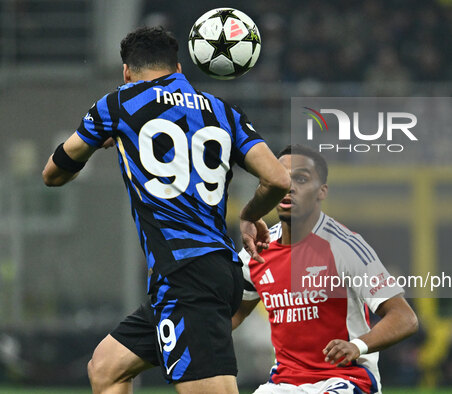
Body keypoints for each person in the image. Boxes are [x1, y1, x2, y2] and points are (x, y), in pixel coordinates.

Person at [42, 26, 290, 394]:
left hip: (186, 273)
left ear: (126, 72)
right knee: (106, 367)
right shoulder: (223, 111)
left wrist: (101, 140)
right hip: (200, 272)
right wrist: (251, 214)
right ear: (178, 68)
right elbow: (278, 179)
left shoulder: (118, 104)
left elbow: (52, 174)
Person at [232, 144, 419, 394]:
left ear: (322, 191)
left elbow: (404, 318)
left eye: (301, 178)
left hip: (345, 378)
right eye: (282, 177)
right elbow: (234, 314)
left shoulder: (346, 247)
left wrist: (358, 345)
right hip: (283, 383)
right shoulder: (256, 251)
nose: (289, 186)